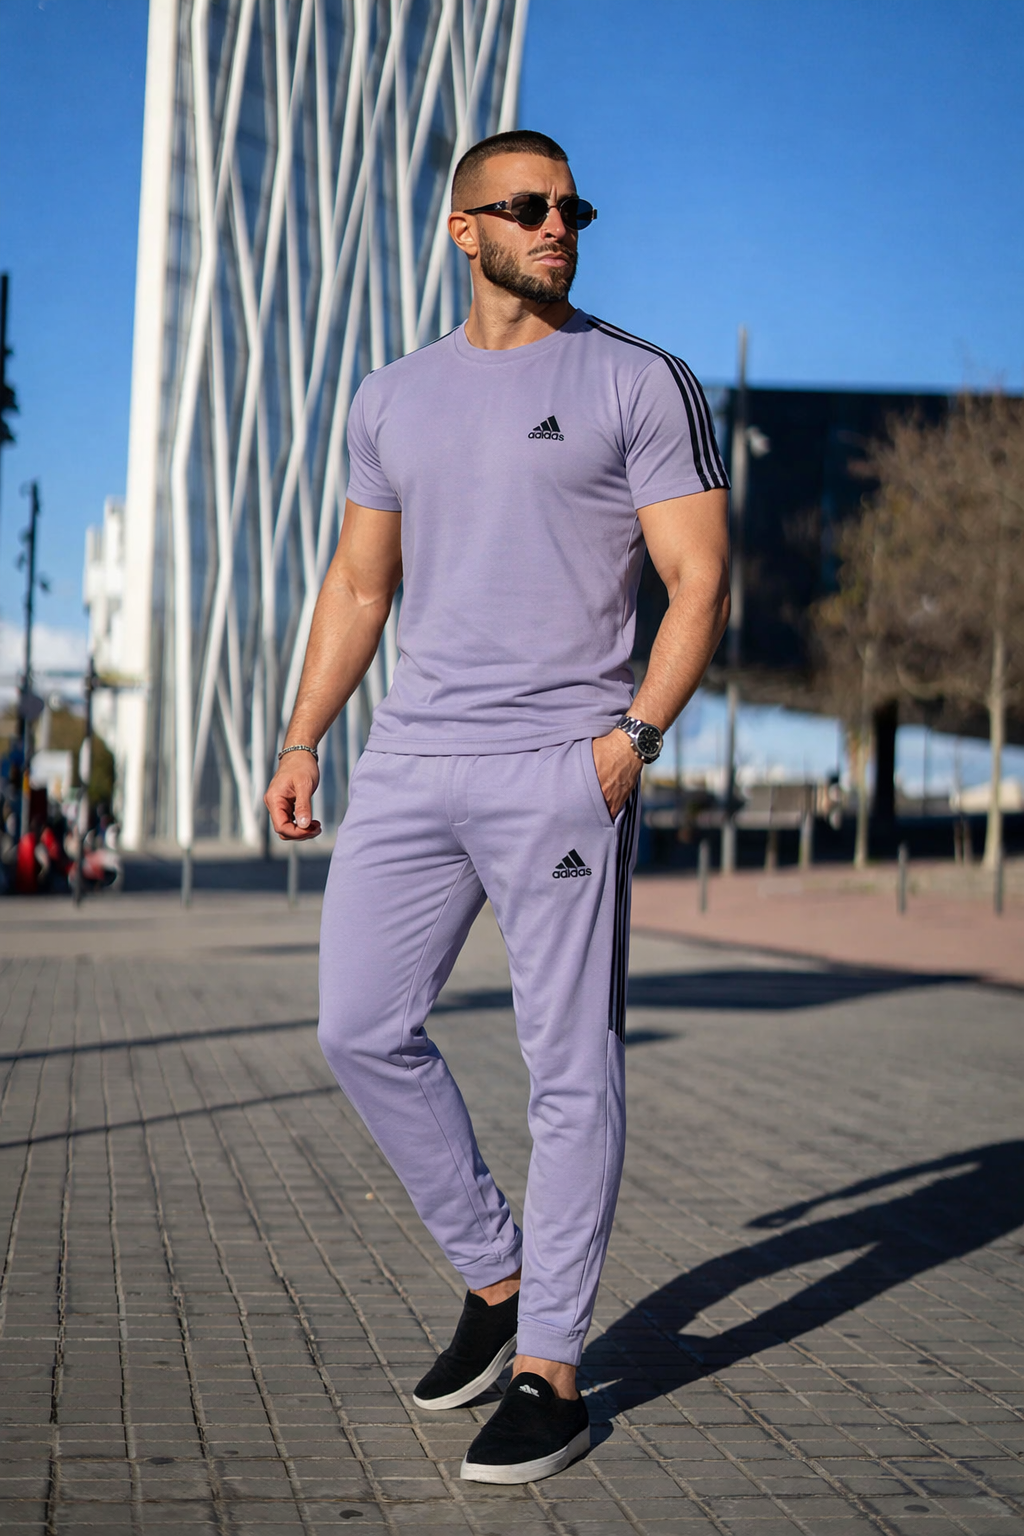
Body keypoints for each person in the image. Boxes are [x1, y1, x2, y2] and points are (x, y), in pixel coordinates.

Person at [265, 129, 730, 1483]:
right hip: (412, 760)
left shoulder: (637, 379)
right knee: (359, 1024)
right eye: (527, 207)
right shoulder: (393, 397)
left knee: (569, 1069)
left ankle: (553, 1371)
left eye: (572, 207)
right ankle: (498, 1276)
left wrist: (631, 741)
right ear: (464, 230)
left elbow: (699, 579)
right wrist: (304, 737)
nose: (557, 225)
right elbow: (362, 585)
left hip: (563, 767)